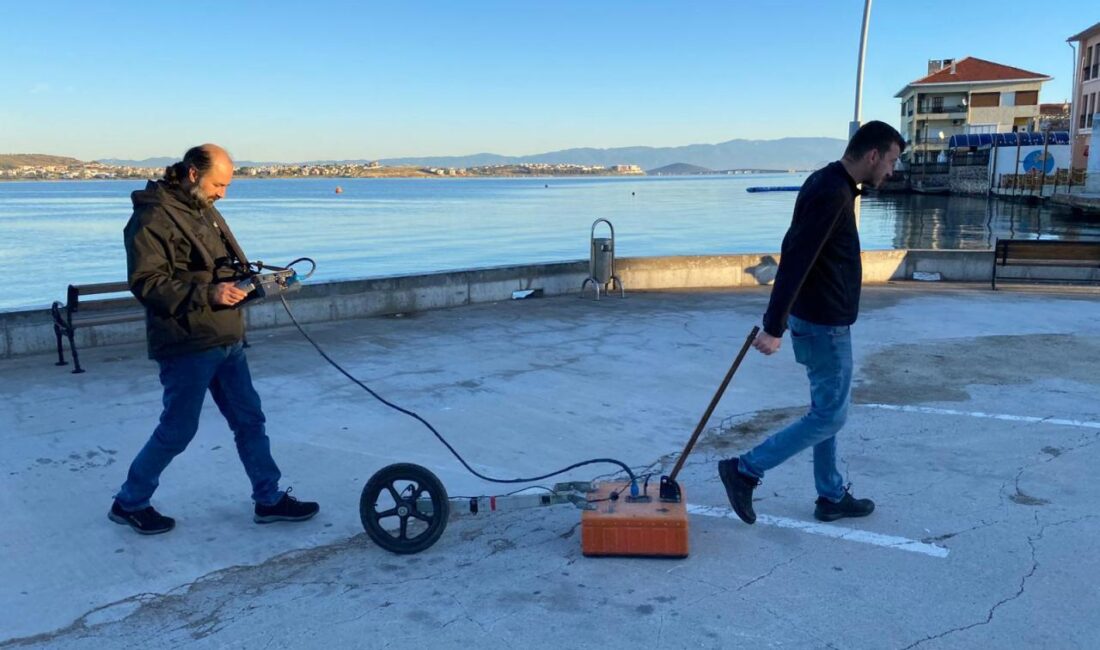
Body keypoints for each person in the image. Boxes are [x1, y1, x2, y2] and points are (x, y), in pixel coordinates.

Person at [110, 144, 319, 535]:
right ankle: (129, 501)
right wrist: (210, 294)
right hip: (186, 342)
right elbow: (147, 283)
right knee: (177, 430)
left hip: (226, 337)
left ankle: (269, 499)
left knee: (250, 420)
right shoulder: (152, 217)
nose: (223, 192)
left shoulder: (202, 209)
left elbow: (218, 270)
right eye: (218, 184)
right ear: (192, 173)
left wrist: (256, 283)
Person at [718, 121, 904, 524]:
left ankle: (831, 494)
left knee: (827, 409)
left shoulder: (828, 183)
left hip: (823, 320)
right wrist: (773, 326)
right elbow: (796, 256)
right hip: (823, 325)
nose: (892, 170)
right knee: (830, 415)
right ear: (873, 155)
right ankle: (745, 470)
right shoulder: (832, 192)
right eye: (891, 160)